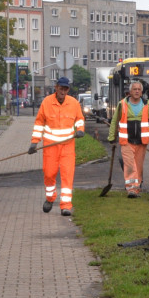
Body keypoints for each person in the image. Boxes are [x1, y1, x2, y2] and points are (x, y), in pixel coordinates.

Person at [29, 76, 85, 216]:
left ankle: (66, 206)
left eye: (65, 89)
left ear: (68, 90)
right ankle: (50, 198)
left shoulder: (74, 103)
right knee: (49, 174)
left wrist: (80, 130)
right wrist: (34, 142)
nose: (63, 91)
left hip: (67, 146)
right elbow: (39, 123)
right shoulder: (47, 102)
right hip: (50, 146)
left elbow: (79, 118)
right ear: (56, 87)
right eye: (61, 88)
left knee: (67, 175)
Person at [107, 80, 149, 198]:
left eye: (139, 89)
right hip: (126, 142)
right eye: (135, 89)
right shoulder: (122, 104)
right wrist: (112, 136)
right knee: (130, 165)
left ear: (142, 92)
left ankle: (137, 188)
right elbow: (115, 121)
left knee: (138, 167)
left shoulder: (146, 104)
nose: (137, 91)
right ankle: (131, 189)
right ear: (130, 91)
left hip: (141, 143)